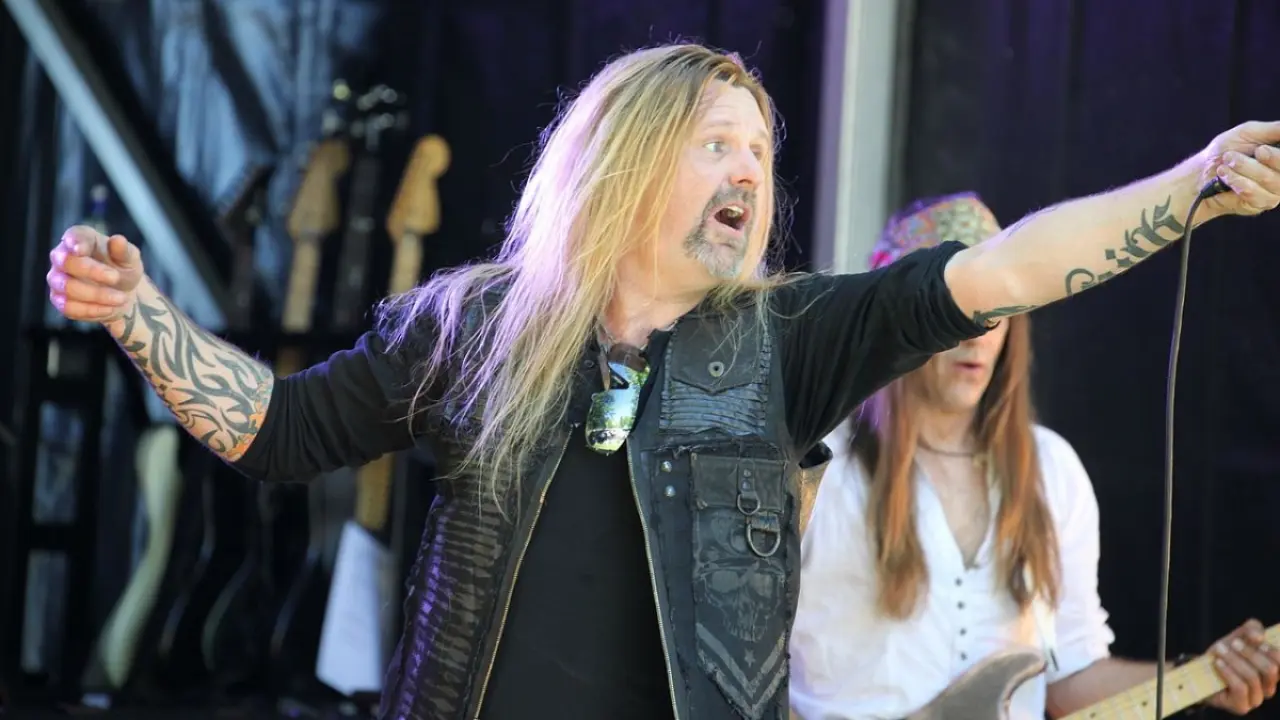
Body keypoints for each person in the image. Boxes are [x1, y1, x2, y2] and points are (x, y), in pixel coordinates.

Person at [43, 42, 1280, 720]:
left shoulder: (788, 340)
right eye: (717, 142)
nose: (751, 169)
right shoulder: (475, 328)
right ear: (628, 161)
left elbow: (1004, 269)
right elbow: (276, 428)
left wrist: (1188, 189)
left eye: (762, 151)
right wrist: (141, 314)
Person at [788, 193, 1280, 720]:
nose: (978, 332)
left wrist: (1200, 678)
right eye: (956, 307)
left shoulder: (1052, 470)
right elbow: (751, 668)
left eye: (995, 306)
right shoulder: (816, 464)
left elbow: (1069, 680)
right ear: (899, 314)